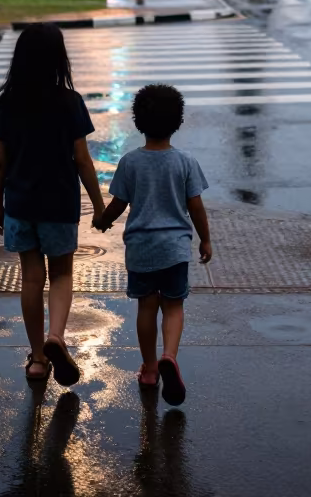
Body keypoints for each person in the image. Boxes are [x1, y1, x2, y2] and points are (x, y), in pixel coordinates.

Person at [0, 23, 105, 386]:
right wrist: (100, 207)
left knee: (31, 278)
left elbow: (0, 162)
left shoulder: (9, 102)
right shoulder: (70, 102)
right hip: (59, 205)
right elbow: (82, 160)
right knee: (63, 274)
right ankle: (56, 336)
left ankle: (38, 359)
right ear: (59, 59)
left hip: (21, 205)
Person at [94, 84, 211, 405]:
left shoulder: (130, 162)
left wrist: (102, 220)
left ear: (138, 121)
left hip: (141, 248)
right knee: (173, 305)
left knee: (146, 306)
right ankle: (169, 356)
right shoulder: (185, 162)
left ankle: (148, 368)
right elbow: (196, 207)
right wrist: (206, 240)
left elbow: (118, 203)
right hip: (174, 248)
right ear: (178, 120)